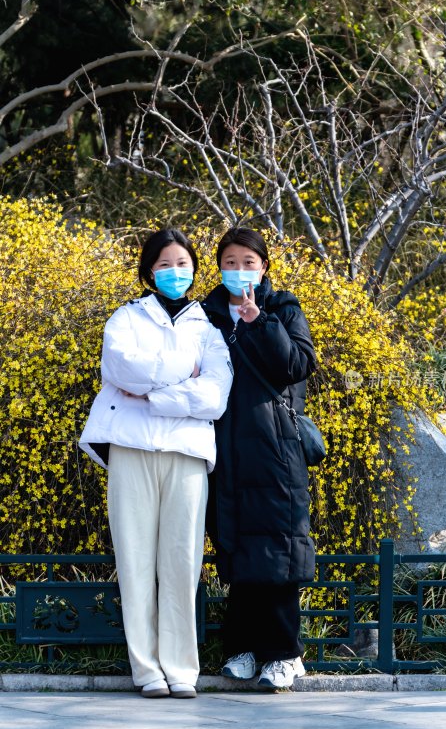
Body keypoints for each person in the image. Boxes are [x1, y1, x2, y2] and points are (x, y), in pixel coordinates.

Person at [79, 228, 233, 699]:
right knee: (135, 560)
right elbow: (121, 368)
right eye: (165, 264)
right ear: (149, 271)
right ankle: (146, 669)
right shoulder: (125, 318)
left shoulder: (208, 328)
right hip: (131, 450)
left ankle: (181, 668)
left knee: (182, 563)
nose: (174, 272)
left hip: (186, 454)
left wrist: (153, 394)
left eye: (183, 264)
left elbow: (214, 396)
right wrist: (180, 376)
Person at [202, 227, 317, 690]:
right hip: (222, 449)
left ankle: (285, 653)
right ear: (219, 267)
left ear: (264, 266)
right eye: (230, 261)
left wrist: (258, 320)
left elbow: (296, 365)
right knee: (237, 546)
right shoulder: (205, 315)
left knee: (279, 548)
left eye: (249, 261)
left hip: (274, 448)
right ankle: (244, 649)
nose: (240, 270)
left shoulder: (282, 307)